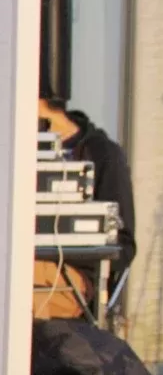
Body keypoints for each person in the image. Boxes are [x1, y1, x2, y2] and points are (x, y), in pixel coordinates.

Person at [33, 98, 137, 320]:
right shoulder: (13, 148)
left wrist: (64, 246)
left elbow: (123, 246)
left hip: (69, 278)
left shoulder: (102, 154)